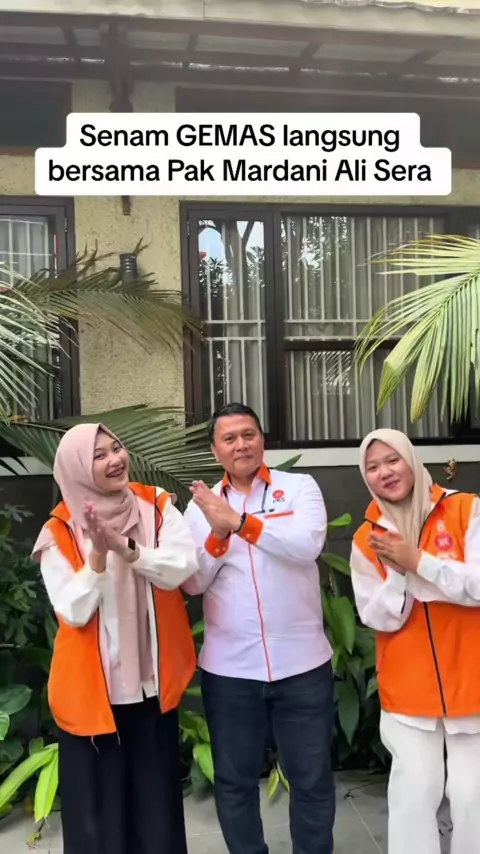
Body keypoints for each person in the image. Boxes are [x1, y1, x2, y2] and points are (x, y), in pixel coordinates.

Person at [31, 422, 199, 854]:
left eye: (117, 448)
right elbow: (72, 610)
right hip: (92, 695)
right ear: (76, 469)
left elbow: (182, 567)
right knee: (98, 824)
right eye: (99, 455)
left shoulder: (156, 505)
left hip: (151, 687)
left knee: (157, 816)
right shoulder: (60, 530)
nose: (115, 459)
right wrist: (98, 557)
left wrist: (128, 549)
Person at [183, 402, 335, 854]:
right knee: (234, 782)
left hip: (303, 664)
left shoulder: (299, 488)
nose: (241, 445)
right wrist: (218, 534)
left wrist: (241, 523)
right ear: (215, 451)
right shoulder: (200, 508)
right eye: (229, 439)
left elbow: (306, 545)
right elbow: (193, 581)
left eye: (248, 435)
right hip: (231, 671)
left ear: (262, 440)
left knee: (311, 779)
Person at [350, 427, 480, 854]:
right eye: (373, 467)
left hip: (472, 681)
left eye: (393, 460)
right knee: (413, 797)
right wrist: (402, 576)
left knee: (473, 797)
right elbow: (377, 616)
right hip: (407, 688)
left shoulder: (466, 509)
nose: (385, 472)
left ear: (412, 460)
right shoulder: (366, 539)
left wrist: (418, 562)